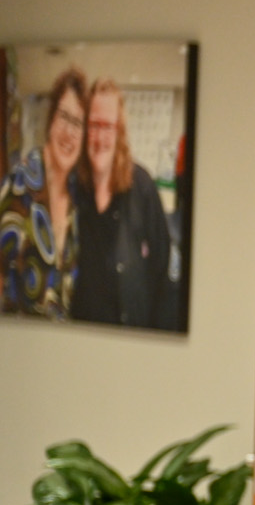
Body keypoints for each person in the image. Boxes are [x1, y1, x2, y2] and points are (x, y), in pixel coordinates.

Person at [71, 77, 179, 330]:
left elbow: (162, 271)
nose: (100, 137)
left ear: (119, 131)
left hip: (131, 337)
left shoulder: (142, 186)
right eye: (94, 125)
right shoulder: (73, 187)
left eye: (107, 126)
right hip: (80, 338)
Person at [0, 67, 87, 318]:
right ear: (51, 118)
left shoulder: (77, 200)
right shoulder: (20, 183)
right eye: (64, 117)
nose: (69, 132)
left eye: (78, 123)